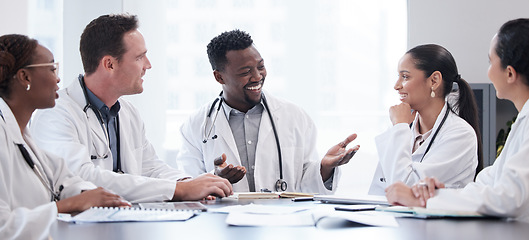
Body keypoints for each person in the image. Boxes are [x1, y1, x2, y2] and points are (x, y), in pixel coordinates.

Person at [30, 14, 232, 203]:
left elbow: (150, 167)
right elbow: (79, 177)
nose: (148, 65)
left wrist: (189, 182)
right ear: (109, 64)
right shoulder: (56, 113)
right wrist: (178, 190)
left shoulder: (127, 112)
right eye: (139, 57)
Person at [176, 29, 359, 193]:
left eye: (260, 67)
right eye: (245, 71)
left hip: (281, 223)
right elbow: (189, 186)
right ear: (219, 77)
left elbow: (306, 183)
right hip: (221, 223)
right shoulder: (196, 125)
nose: (257, 77)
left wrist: (325, 168)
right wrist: (215, 177)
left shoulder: (295, 116)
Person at [385, 18, 529, 221]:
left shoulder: (460, 133)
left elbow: (509, 198)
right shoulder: (523, 120)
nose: (397, 86)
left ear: (510, 72)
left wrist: (426, 199)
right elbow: (487, 183)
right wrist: (437, 194)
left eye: (490, 62)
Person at [0, 34, 130, 239]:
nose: (58, 78)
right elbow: (3, 227)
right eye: (52, 69)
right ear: (25, 77)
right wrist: (65, 206)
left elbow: (64, 179)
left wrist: (87, 195)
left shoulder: (23, 135)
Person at [369, 44, 483, 195]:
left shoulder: (461, 135)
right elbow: (378, 192)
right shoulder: (404, 129)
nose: (396, 86)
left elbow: (406, 189)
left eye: (405, 76)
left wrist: (400, 126)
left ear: (434, 81)